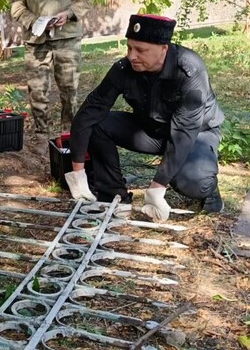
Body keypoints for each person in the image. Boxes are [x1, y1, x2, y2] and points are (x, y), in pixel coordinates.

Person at [64, 13, 224, 219]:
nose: (131, 56)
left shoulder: (189, 71)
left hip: (196, 135)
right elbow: (89, 112)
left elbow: (184, 131)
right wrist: (78, 173)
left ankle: (209, 190)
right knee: (97, 123)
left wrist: (157, 188)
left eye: (140, 50)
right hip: (152, 130)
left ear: (163, 49)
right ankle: (113, 195)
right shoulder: (124, 69)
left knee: (192, 182)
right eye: (129, 47)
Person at [10, 0, 92, 152]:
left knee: (69, 89)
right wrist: (32, 20)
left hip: (67, 38)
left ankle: (68, 132)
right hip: (36, 41)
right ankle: (40, 135)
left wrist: (67, 14)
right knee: (37, 91)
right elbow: (16, 5)